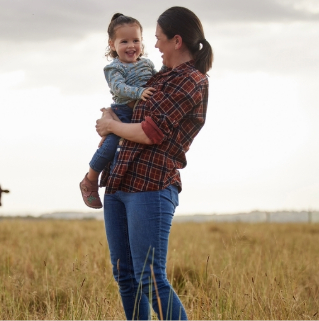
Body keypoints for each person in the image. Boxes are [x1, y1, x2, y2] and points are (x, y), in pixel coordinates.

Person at [94, 6, 213, 320]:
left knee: (149, 278)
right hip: (120, 183)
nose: (154, 45)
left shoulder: (191, 81)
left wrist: (111, 126)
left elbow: (151, 131)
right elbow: (127, 108)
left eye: (158, 39)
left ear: (176, 41)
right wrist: (110, 118)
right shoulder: (158, 77)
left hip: (151, 187)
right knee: (125, 276)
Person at [79, 13, 157, 209]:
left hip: (140, 113)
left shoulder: (147, 64)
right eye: (124, 41)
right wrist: (140, 92)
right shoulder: (113, 68)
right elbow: (118, 88)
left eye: (135, 40)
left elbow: (158, 80)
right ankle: (90, 179)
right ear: (112, 44)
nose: (131, 46)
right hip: (123, 111)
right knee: (112, 143)